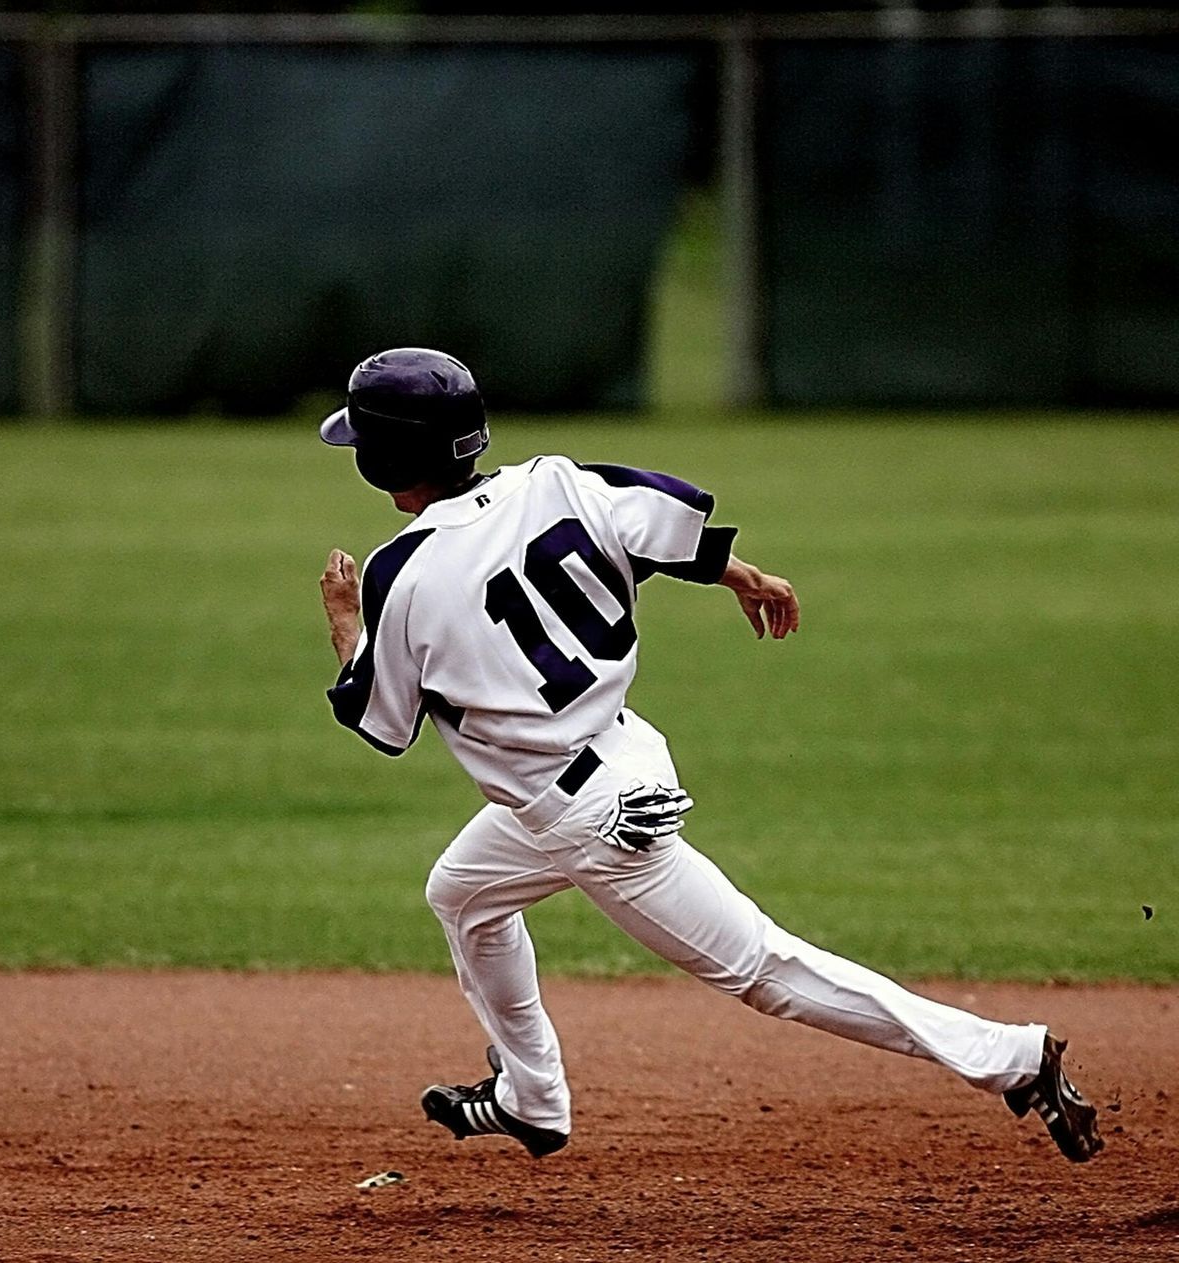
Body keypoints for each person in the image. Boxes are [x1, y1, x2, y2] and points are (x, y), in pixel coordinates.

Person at [315, 347, 1102, 1163]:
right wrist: (741, 575)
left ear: (382, 460)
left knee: (766, 969)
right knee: (464, 896)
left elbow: (381, 721)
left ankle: (1010, 1057)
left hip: (584, 817)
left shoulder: (398, 574)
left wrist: (347, 621)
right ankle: (532, 1098)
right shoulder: (556, 480)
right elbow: (660, 523)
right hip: (617, 761)